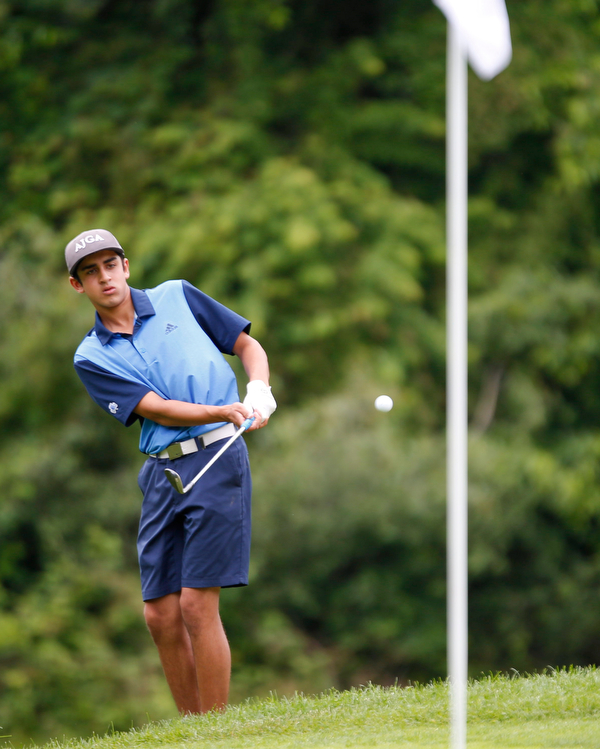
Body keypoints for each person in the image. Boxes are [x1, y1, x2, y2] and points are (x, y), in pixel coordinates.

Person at [66, 228, 276, 715]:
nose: (105, 277)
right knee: (160, 614)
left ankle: (216, 730)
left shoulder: (178, 296)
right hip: (163, 472)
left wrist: (258, 388)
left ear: (126, 265)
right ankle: (192, 725)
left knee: (196, 605)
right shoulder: (90, 356)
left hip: (217, 459)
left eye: (110, 264)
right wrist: (221, 410)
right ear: (78, 286)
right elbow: (155, 408)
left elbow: (247, 345)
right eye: (90, 272)